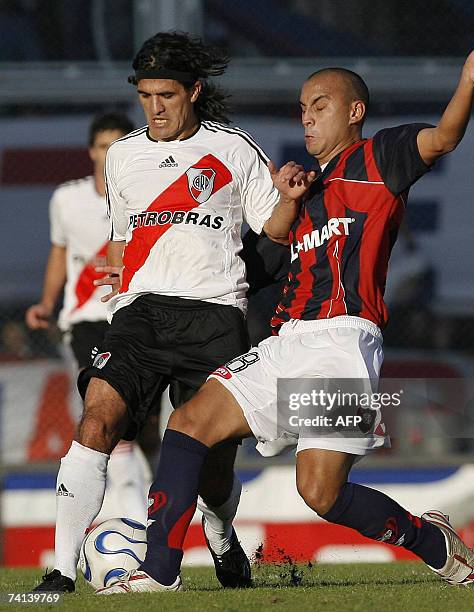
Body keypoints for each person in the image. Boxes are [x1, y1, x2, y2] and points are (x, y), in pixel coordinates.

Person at [96, 37, 474, 594]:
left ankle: (428, 540)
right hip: (286, 340)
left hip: (343, 343)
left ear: (355, 112)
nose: (308, 116)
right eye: (302, 107)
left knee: (320, 493)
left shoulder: (379, 158)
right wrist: (286, 202)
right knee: (188, 424)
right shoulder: (301, 188)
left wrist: (468, 80)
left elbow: (442, 139)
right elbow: (258, 258)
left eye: (320, 105)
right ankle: (158, 573)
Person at [32, 31, 311, 593]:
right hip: (139, 315)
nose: (154, 108)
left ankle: (222, 532)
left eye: (166, 95)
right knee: (97, 418)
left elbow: (275, 230)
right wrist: (119, 270)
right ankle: (61, 571)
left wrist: (289, 197)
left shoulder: (234, 148)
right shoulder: (126, 156)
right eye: (145, 96)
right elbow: (121, 237)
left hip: (213, 315)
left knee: (211, 467)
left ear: (193, 91)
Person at [25, 112, 151, 560]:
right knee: (107, 421)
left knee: (144, 429)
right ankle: (137, 532)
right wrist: (46, 302)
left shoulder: (146, 197)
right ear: (92, 150)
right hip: (85, 324)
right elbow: (61, 253)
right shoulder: (68, 199)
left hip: (137, 319)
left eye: (118, 144)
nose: (109, 154)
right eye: (102, 145)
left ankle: (143, 524)